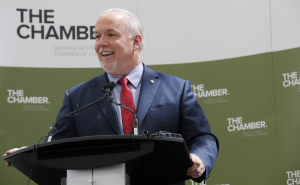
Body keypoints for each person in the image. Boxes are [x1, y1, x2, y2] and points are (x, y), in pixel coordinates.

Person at [3, 8, 219, 185]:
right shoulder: (77, 96)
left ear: (136, 42)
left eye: (111, 34)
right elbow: (59, 148)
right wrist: (31, 154)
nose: (101, 43)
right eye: (97, 36)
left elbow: (202, 138)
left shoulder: (176, 88)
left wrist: (199, 159)